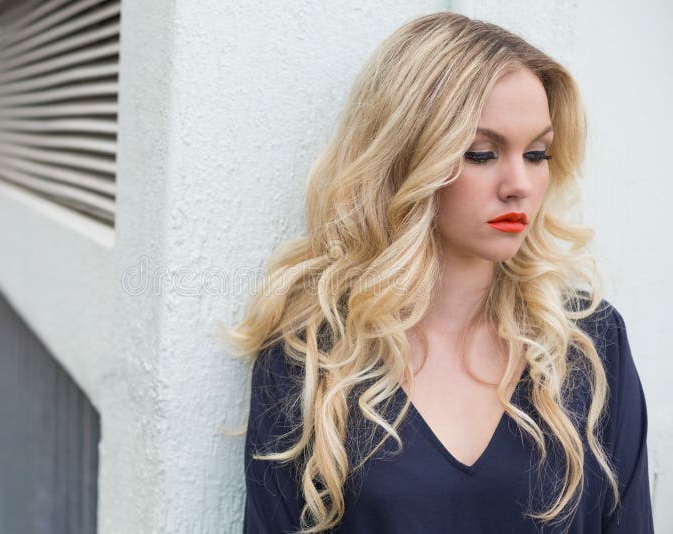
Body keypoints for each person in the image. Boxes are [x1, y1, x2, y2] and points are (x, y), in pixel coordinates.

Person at [224, 11, 654, 534]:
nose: (519, 184)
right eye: (482, 154)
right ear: (407, 159)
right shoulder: (313, 355)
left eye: (537, 153)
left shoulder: (590, 344)